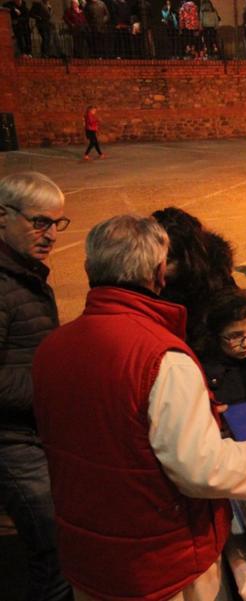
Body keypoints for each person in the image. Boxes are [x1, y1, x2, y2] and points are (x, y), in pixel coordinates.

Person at [31, 214, 246, 601]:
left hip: (89, 555)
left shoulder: (53, 346)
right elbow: (201, 471)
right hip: (160, 564)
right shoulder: (162, 357)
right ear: (159, 273)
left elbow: (114, 431)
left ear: (89, 268)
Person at [0, 173, 72, 601]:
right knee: (55, 549)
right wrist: (51, 386)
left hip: (32, 434)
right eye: (39, 222)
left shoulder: (23, 273)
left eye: (57, 225)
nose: (50, 236)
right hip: (12, 442)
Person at [151, 207, 236, 342]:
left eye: (167, 261)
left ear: (187, 259)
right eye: (150, 259)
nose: (155, 268)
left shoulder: (216, 281)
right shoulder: (143, 279)